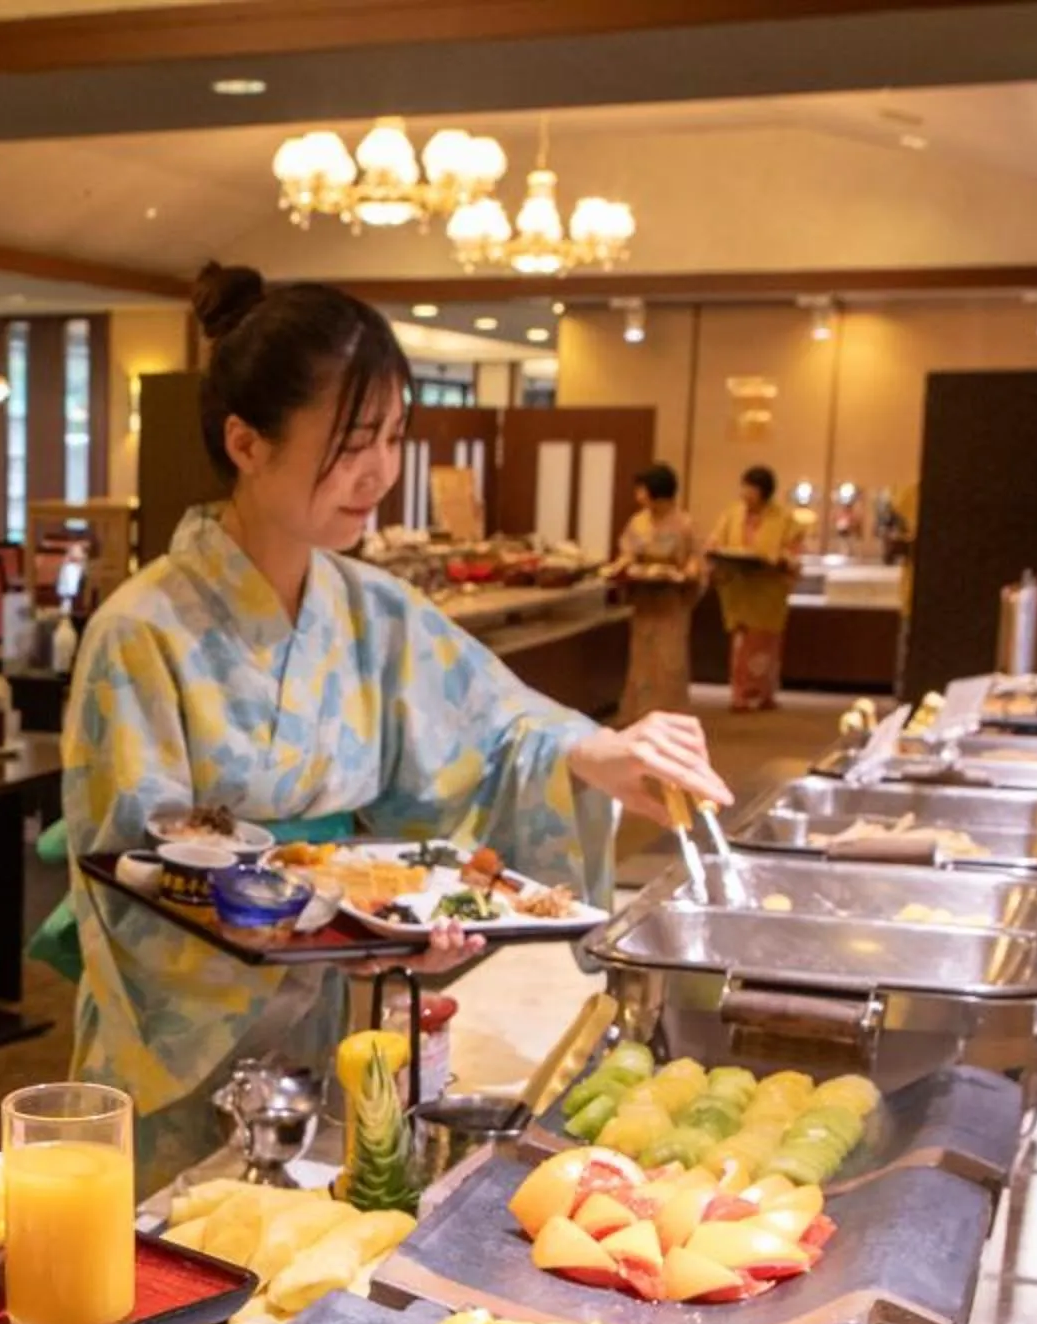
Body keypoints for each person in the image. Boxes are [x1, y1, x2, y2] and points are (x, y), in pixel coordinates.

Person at [59, 264, 731, 1187]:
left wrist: (591, 754)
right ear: (246, 442)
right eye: (351, 441)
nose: (381, 471)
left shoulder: (372, 608)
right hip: (186, 1044)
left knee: (321, 1253)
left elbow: (495, 731)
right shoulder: (141, 630)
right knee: (182, 1264)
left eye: (393, 437)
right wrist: (338, 919)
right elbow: (132, 867)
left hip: (338, 1012)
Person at [606, 462, 702, 722]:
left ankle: (670, 717)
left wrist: (686, 574)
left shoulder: (684, 524)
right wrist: (623, 568)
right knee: (642, 661)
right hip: (645, 601)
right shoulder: (638, 522)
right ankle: (639, 715)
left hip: (671, 603)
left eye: (642, 489)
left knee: (669, 662)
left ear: (656, 491)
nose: (638, 495)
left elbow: (695, 560)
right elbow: (627, 554)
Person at [708, 464, 804, 712]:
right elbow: (715, 541)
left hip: (768, 590)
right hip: (739, 588)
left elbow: (794, 553)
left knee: (765, 643)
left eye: (752, 490)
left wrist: (778, 559)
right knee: (742, 643)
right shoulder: (731, 515)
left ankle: (763, 693)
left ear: (765, 493)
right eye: (744, 489)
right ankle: (740, 694)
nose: (746, 495)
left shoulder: (785, 519)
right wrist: (718, 553)